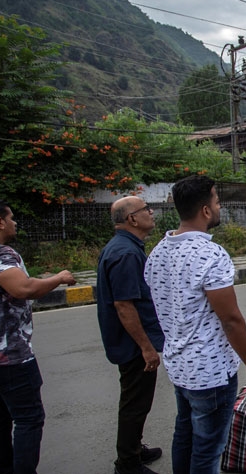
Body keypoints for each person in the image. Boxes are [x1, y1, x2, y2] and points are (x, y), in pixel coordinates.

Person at [144, 175, 246, 474]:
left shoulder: (159, 251)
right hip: (210, 374)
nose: (219, 207)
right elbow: (231, 319)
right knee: (209, 450)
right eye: (217, 202)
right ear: (206, 210)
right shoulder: (211, 254)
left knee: (184, 435)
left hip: (179, 365)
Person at [0, 198, 76, 474]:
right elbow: (23, 288)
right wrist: (58, 278)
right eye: (10, 218)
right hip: (6, 356)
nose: (14, 222)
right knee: (29, 419)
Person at [96, 196, 166, 474]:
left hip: (130, 342)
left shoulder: (127, 248)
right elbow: (124, 306)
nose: (152, 213)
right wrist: (147, 348)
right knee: (135, 404)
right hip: (132, 345)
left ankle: (134, 449)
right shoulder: (125, 253)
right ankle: (127, 463)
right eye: (146, 209)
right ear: (132, 219)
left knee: (138, 401)